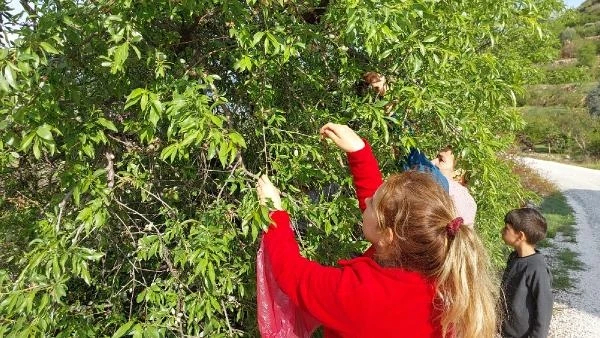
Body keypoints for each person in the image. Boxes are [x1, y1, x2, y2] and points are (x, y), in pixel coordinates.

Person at [256, 123, 498, 337]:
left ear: (388, 236)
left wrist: (274, 214)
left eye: (371, 203)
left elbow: (292, 273)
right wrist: (359, 153)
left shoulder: (358, 295)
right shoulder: (439, 271)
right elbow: (388, 213)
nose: (367, 201)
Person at [500, 208, 553, 338]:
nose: (502, 230)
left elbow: (544, 309)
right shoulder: (514, 257)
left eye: (506, 228)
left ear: (520, 236)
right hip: (507, 331)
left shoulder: (537, 268)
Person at [431, 147, 477, 226]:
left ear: (460, 172)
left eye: (441, 160)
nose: (432, 162)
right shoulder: (471, 204)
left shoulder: (463, 199)